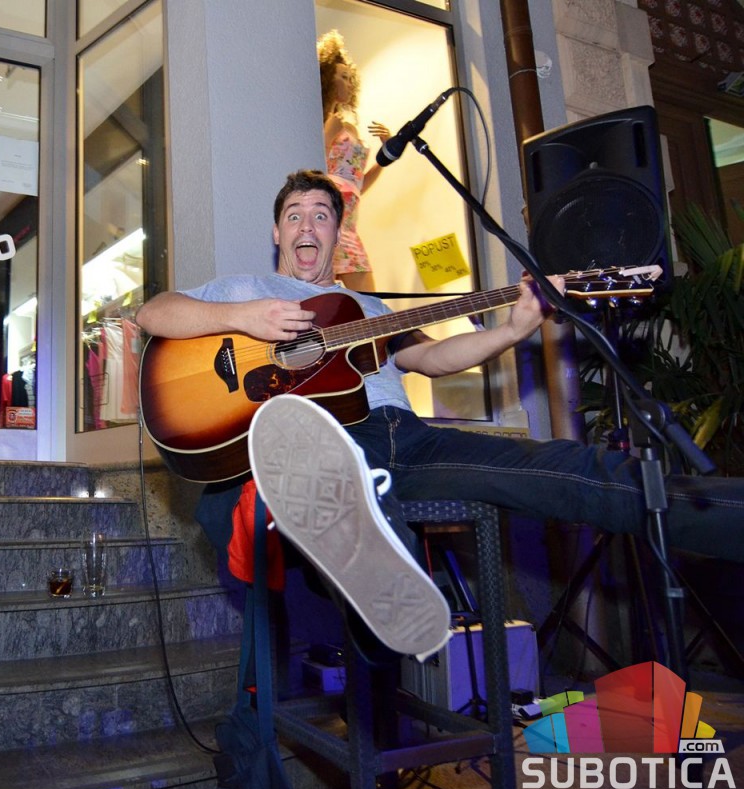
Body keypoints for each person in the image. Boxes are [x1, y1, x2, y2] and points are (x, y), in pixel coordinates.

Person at [135, 168, 744, 655]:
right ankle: (367, 565)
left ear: (337, 231)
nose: (307, 225)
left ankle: (722, 514)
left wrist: (512, 330)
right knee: (334, 474)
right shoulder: (244, 290)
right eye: (294, 214)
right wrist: (244, 317)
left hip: (410, 443)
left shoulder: (369, 307)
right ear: (277, 232)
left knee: (563, 469)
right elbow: (153, 313)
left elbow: (430, 359)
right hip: (329, 439)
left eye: (321, 214)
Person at [317, 30, 388, 293]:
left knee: (369, 303)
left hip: (347, 226)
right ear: (327, 79)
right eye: (342, 77)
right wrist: (327, 136)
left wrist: (385, 158)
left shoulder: (346, 127)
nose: (348, 83)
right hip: (326, 223)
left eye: (350, 78)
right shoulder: (324, 122)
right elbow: (314, 170)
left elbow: (356, 186)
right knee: (323, 300)